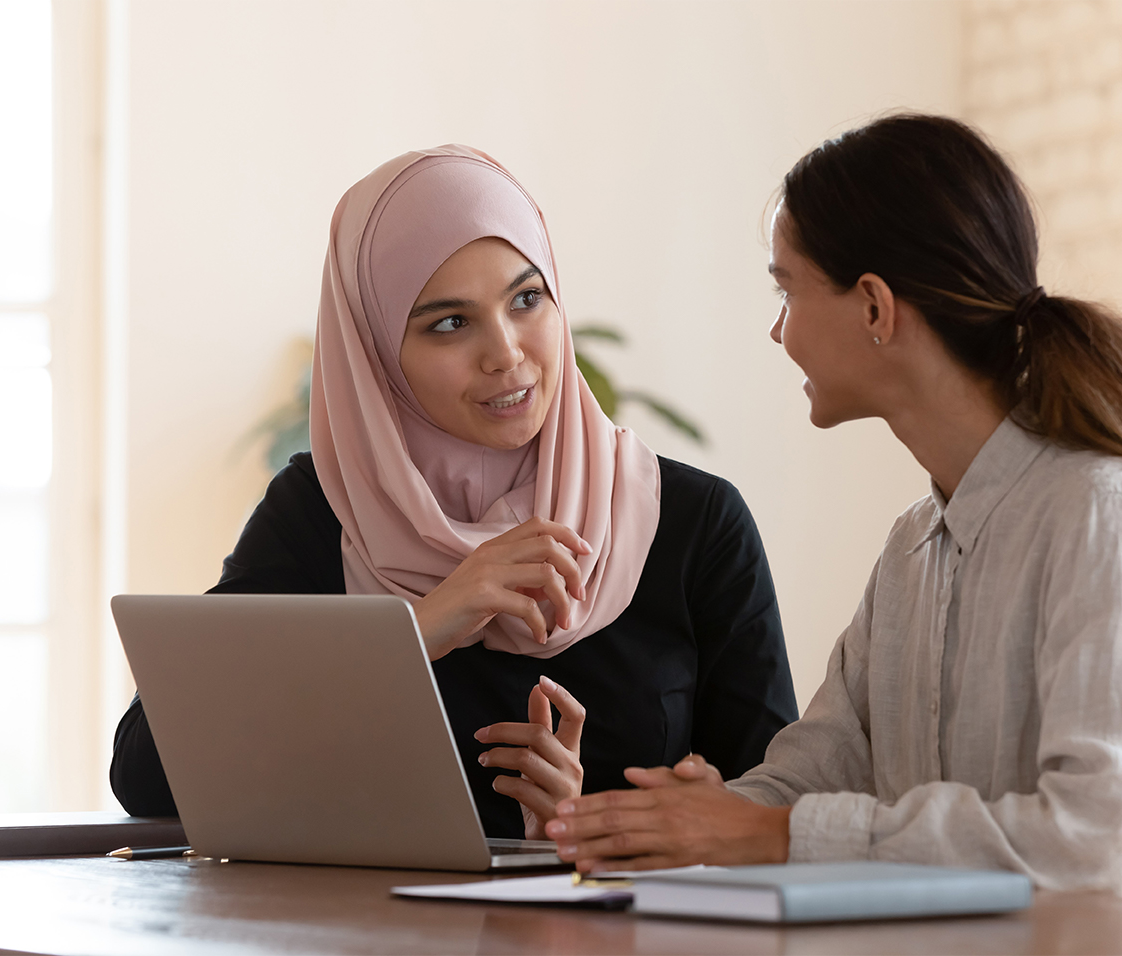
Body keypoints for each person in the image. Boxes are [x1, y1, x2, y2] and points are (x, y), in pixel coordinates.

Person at [544, 114, 1122, 907]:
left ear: (874, 309)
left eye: (787, 289)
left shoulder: (1108, 517)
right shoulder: (912, 547)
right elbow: (812, 772)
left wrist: (770, 835)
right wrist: (689, 818)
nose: (777, 328)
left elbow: (1094, 843)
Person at [109, 145, 798, 840]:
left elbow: (769, 812)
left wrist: (586, 830)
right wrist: (418, 630)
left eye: (527, 299)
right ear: (376, 354)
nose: (505, 353)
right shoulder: (326, 512)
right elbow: (145, 773)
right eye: (449, 323)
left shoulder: (692, 523)